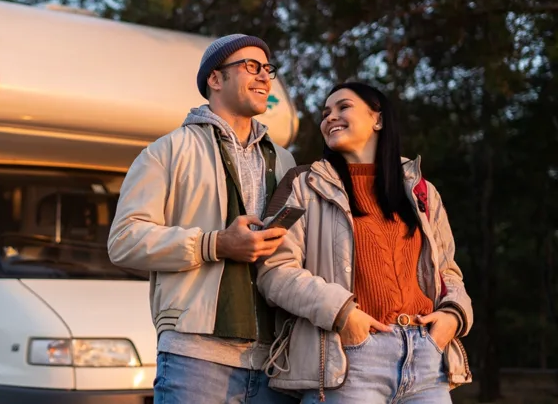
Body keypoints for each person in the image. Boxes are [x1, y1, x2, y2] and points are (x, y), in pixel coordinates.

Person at [108, 34, 298, 403]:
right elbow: (124, 240)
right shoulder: (167, 151)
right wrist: (214, 244)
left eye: (268, 69)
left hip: (277, 361)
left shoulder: (286, 161)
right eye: (251, 67)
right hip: (195, 358)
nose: (264, 77)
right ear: (215, 79)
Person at [256, 82, 473, 403]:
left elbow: (447, 271)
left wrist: (453, 316)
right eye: (325, 113)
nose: (330, 117)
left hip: (427, 359)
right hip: (347, 358)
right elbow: (273, 271)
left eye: (343, 107)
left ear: (378, 119)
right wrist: (343, 314)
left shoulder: (420, 190)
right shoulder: (305, 184)